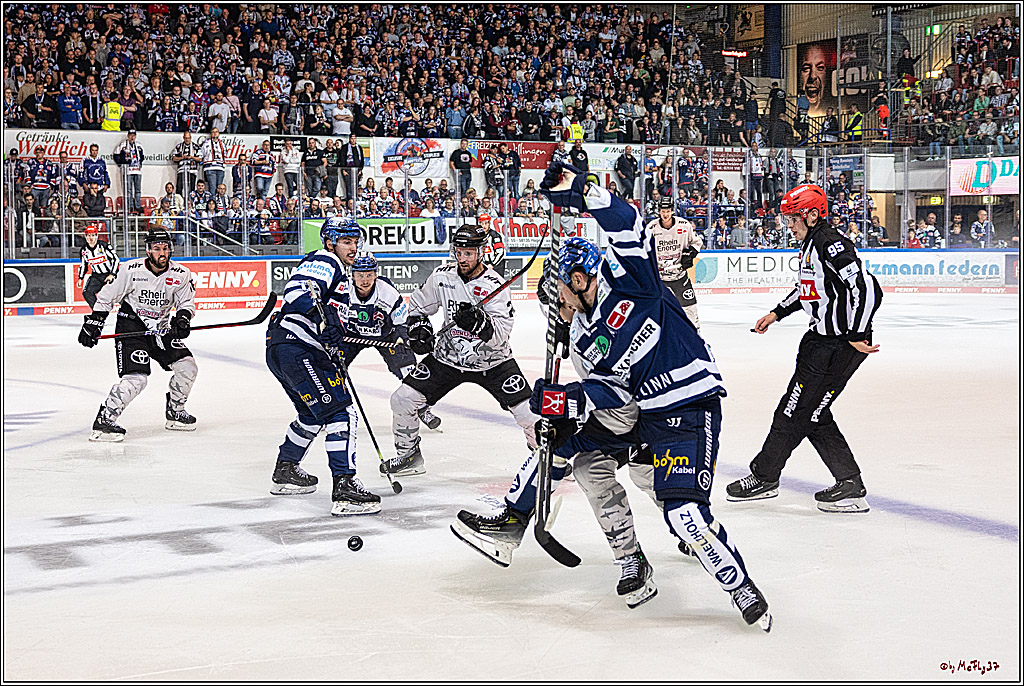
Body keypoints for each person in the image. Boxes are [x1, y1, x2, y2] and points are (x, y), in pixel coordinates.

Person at [456, 163, 772, 630]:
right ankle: (544, 530)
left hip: (685, 410)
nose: (557, 301)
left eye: (559, 291)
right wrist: (559, 403)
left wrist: (583, 192)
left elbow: (628, 225)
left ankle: (740, 587)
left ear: (580, 279)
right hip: (636, 413)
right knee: (569, 449)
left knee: (683, 513)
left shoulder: (632, 285)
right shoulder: (583, 334)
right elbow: (610, 390)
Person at [726, 184, 882, 513]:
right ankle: (849, 482)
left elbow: (866, 287)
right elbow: (808, 288)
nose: (789, 226)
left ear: (812, 214)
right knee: (813, 412)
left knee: (793, 411)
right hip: (821, 343)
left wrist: (858, 332)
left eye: (793, 219)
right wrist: (776, 313)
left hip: (836, 346)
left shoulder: (829, 242)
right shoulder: (811, 244)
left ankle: (765, 476)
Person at [382, 224, 538, 477]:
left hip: (493, 363)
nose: (462, 258)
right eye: (459, 252)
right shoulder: (442, 276)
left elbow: (500, 336)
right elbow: (418, 306)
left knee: (529, 413)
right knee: (402, 400)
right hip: (447, 359)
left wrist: (478, 323)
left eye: (469, 253)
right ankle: (408, 456)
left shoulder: (495, 285)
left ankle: (543, 456)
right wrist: (419, 329)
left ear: (481, 252)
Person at [264, 216, 381, 516]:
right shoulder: (325, 260)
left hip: (288, 348)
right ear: (330, 242)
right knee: (341, 413)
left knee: (311, 414)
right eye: (346, 241)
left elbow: (338, 322)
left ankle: (286, 469)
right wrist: (321, 319)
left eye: (355, 241)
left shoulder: (341, 273)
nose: (352, 247)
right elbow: (297, 294)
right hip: (296, 346)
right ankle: (345, 486)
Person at [77, 229, 198, 441]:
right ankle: (106, 419)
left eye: (166, 248)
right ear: (148, 250)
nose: (162, 254)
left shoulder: (181, 274)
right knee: (137, 379)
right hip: (131, 327)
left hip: (160, 329)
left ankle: (175, 411)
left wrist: (182, 319)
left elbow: (185, 303)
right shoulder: (130, 269)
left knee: (187, 367)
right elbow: (107, 297)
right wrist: (94, 323)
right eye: (157, 249)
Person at [342, 253, 441, 431]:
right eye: (360, 275)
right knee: (331, 366)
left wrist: (402, 335)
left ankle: (422, 407)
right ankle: (330, 410)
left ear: (376, 273)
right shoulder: (343, 290)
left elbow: (401, 320)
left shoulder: (388, 293)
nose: (365, 280)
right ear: (352, 274)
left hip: (385, 335)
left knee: (408, 368)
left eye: (369, 274)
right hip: (352, 335)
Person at [648, 196, 703, 329]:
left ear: (672, 211)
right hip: (659, 279)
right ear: (659, 211)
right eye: (662, 211)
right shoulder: (651, 228)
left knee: (690, 310)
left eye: (667, 211)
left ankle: (695, 338)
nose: (665, 214)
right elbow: (645, 250)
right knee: (657, 313)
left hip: (680, 277)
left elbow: (697, 242)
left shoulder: (684, 225)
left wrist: (690, 254)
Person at [76, 223, 119, 308]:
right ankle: (98, 311)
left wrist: (112, 274)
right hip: (96, 276)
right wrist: (80, 278)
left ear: (96, 236)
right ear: (85, 237)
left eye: (93, 235)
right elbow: (84, 265)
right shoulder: (84, 250)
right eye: (88, 236)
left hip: (110, 274)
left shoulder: (104, 246)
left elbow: (116, 259)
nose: (91, 238)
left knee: (119, 294)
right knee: (87, 293)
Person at [112, 129, 144, 213]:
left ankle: (137, 206)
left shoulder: (138, 145)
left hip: (137, 170)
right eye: (130, 135)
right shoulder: (122, 145)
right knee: (128, 190)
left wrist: (140, 163)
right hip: (128, 171)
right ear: (128, 136)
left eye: (133, 135)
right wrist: (122, 163)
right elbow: (116, 155)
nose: (132, 137)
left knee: (138, 189)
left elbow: (142, 156)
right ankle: (129, 206)